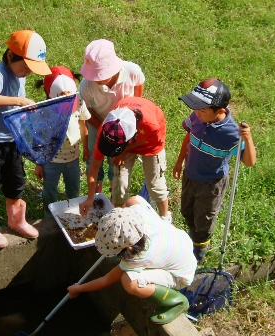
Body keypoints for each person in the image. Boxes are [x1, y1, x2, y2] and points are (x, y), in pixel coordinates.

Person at [0, 30, 52, 248]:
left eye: (30, 69)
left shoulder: (19, 76)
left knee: (15, 183)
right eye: (24, 67)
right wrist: (18, 101)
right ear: (10, 56)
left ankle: (16, 220)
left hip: (11, 139)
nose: (26, 73)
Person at [68, 195, 197, 324]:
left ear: (129, 249)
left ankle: (177, 302)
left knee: (129, 282)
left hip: (180, 273)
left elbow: (106, 280)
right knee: (130, 200)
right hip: (180, 245)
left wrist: (78, 289)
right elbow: (133, 199)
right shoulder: (138, 212)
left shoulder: (137, 258)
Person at [172, 78, 256, 263]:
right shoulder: (197, 118)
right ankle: (192, 233)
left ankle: (198, 251)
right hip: (190, 174)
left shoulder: (232, 134)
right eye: (196, 108)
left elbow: (249, 162)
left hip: (211, 184)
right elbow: (188, 138)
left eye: (202, 110)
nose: (196, 113)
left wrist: (248, 140)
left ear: (221, 111)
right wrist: (179, 163)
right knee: (186, 210)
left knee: (204, 221)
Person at [79, 96, 171, 222]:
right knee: (120, 183)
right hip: (126, 141)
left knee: (154, 184)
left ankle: (165, 217)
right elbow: (94, 167)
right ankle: (119, 219)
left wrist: (125, 150)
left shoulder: (151, 125)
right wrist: (90, 198)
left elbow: (145, 139)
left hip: (150, 143)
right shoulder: (108, 128)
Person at [79, 39, 145, 194]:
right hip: (96, 120)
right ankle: (96, 193)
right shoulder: (86, 85)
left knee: (116, 159)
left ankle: (113, 192)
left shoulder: (132, 71)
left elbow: (138, 99)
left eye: (99, 75)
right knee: (94, 158)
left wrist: (130, 121)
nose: (96, 79)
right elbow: (85, 111)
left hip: (123, 124)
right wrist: (103, 126)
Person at [34, 66, 91, 217]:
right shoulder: (45, 110)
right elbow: (39, 138)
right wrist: (39, 164)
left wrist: (86, 149)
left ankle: (72, 213)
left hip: (73, 158)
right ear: (52, 95)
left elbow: (83, 126)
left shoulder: (78, 103)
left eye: (69, 94)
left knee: (73, 189)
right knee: (49, 190)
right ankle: (48, 216)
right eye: (62, 94)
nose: (67, 97)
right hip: (51, 161)